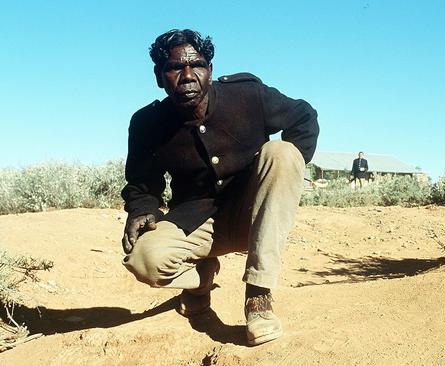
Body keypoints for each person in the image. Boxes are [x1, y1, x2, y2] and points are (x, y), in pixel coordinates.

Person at [119, 29, 319, 346]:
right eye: (174, 68)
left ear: (210, 71)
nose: (187, 76)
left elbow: (304, 116)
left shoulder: (248, 95)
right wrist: (143, 208)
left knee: (282, 153)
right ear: (159, 76)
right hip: (196, 222)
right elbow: (143, 183)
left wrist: (287, 176)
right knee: (143, 259)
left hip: (252, 216)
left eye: (196, 65)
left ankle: (258, 296)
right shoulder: (147, 123)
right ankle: (201, 279)